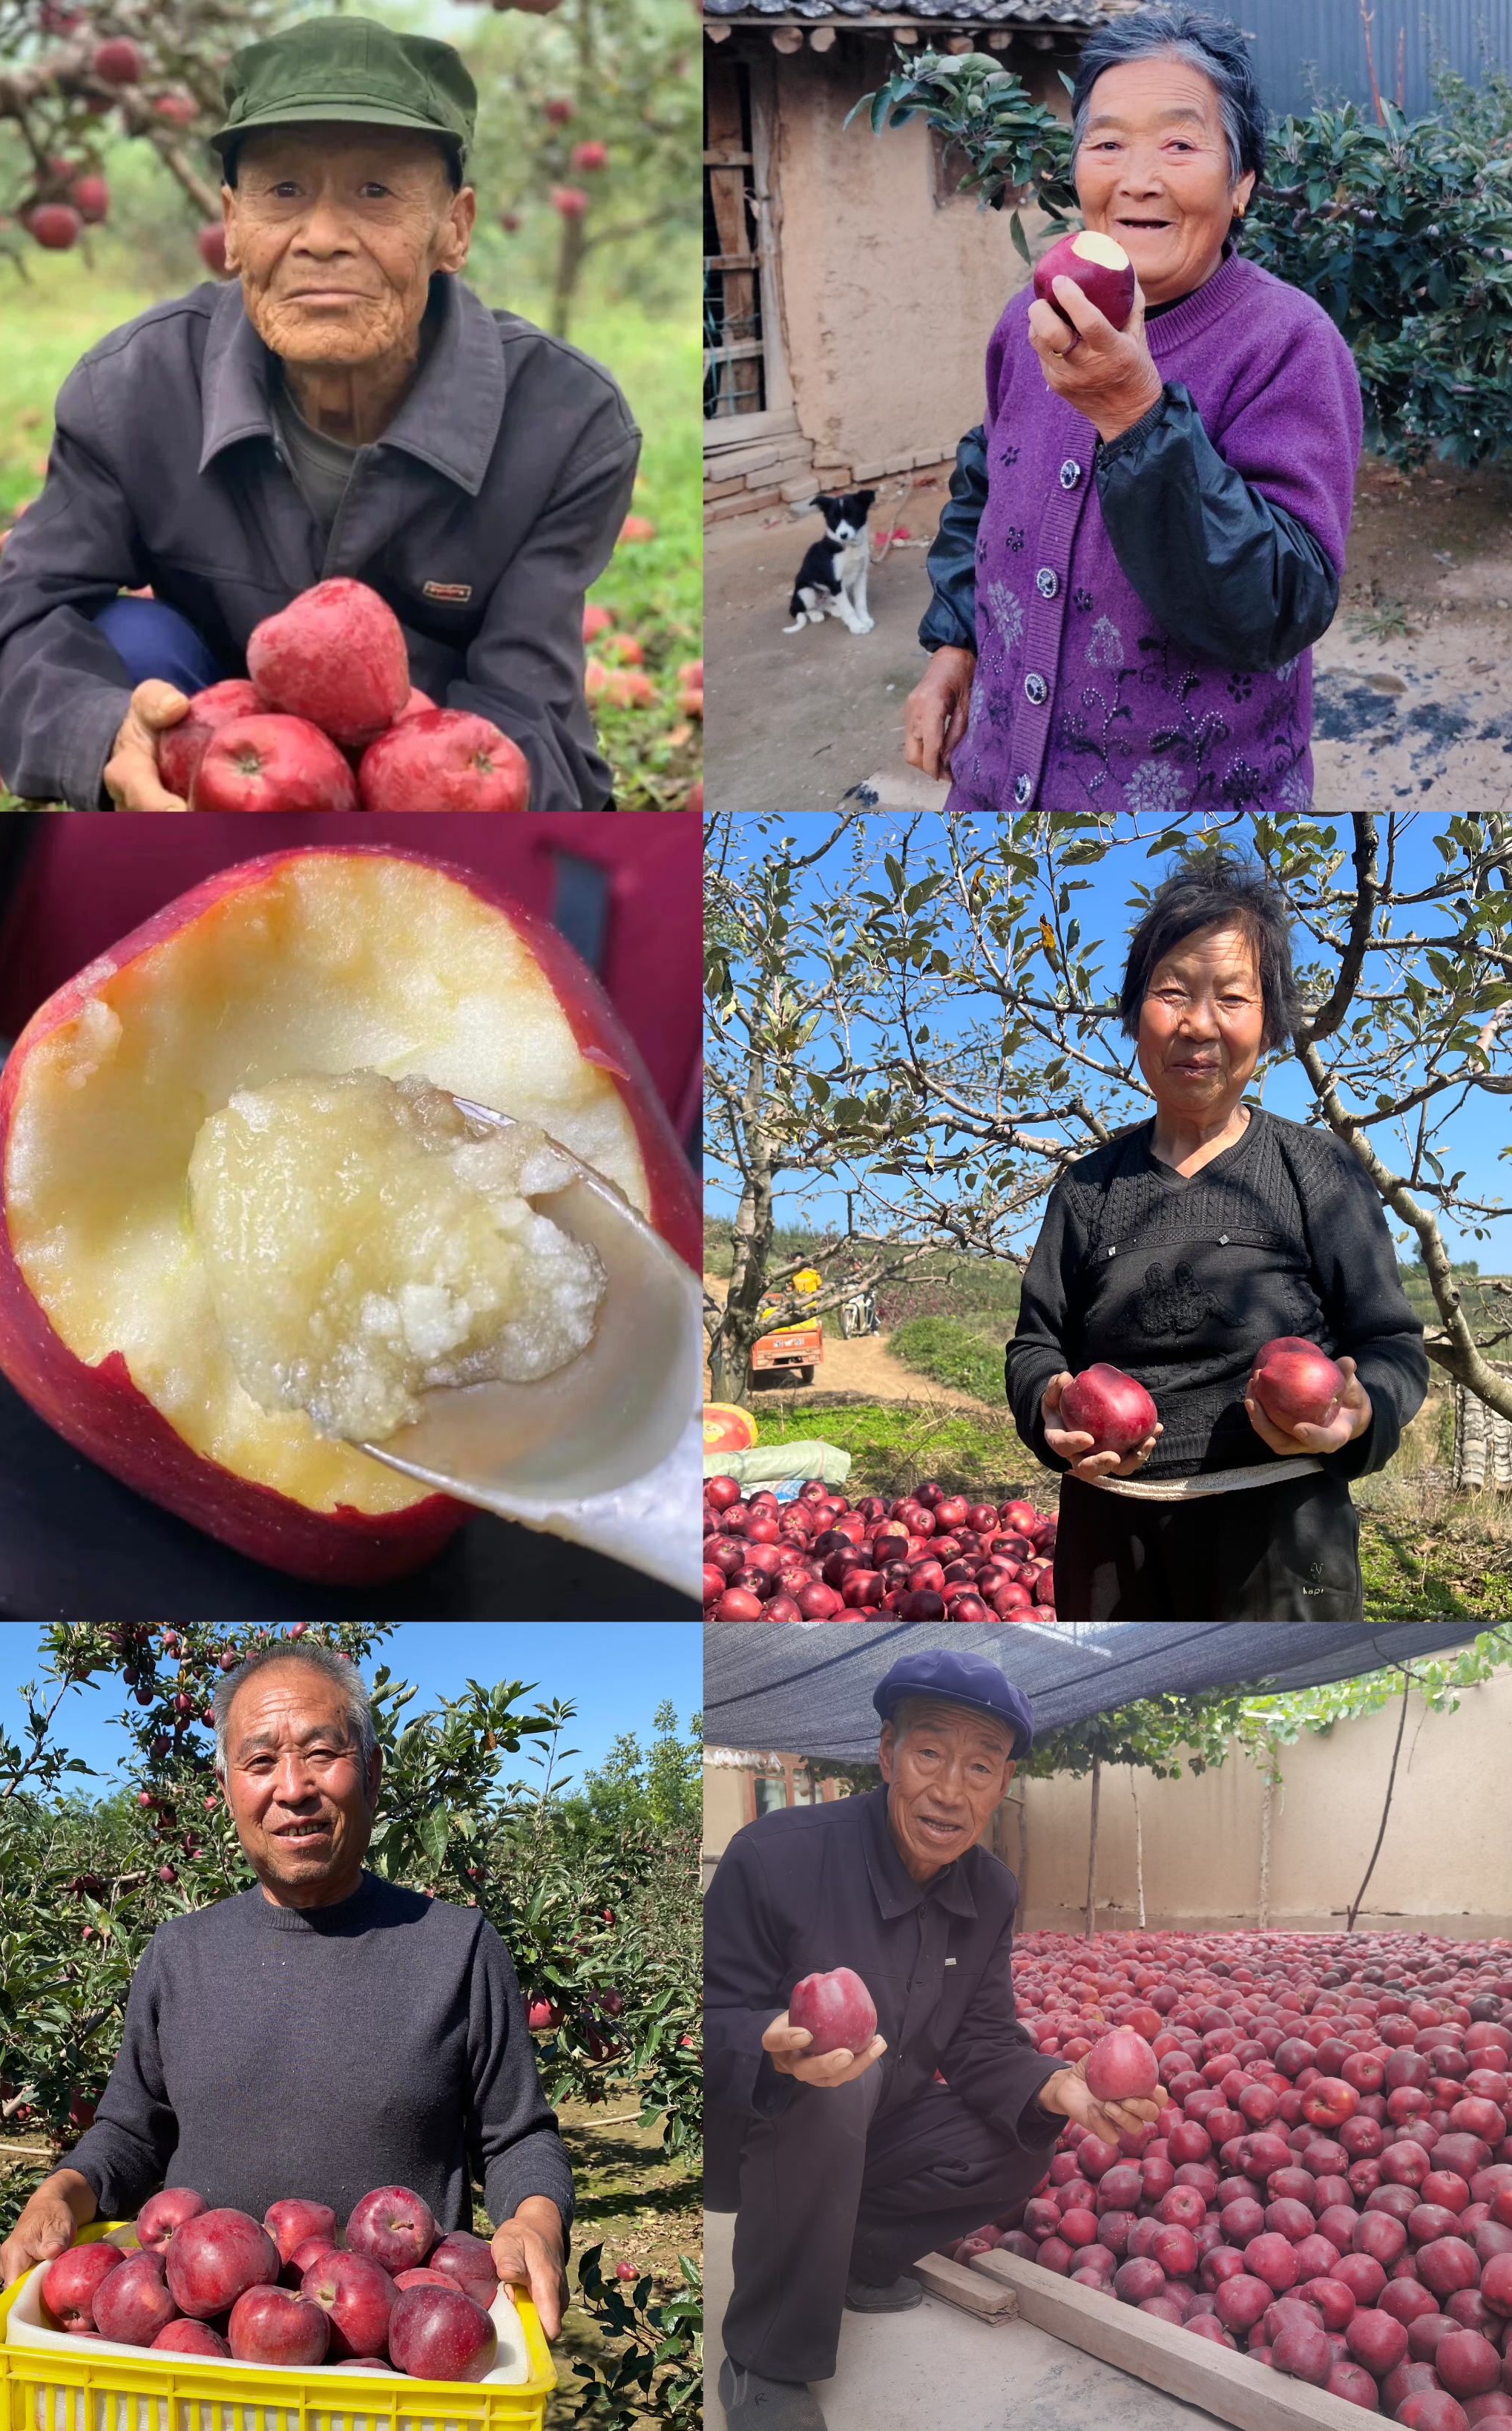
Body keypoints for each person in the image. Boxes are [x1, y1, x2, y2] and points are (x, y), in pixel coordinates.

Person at [0, 13, 640, 814]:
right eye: (284, 192)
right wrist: (108, 736)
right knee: (127, 644)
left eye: (375, 192)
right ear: (234, 226)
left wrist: (402, 804)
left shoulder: (569, 425)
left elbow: (532, 714)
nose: (321, 238)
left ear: (454, 228)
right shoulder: (136, 386)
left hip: (433, 773)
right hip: (230, 758)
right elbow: (11, 620)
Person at [0, 1639, 571, 2335]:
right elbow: (130, 2131)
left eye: (323, 1753)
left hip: (393, 2362)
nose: (292, 1787)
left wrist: (536, 2220)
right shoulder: (180, 1954)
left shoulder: (457, 1947)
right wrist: (62, 2192)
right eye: (260, 1761)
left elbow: (517, 2136)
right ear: (229, 1787)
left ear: (374, 1773)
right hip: (206, 2360)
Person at [901, 5, 1361, 814]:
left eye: (1180, 144)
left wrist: (1135, 415)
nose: (1137, 178)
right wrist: (954, 644)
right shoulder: (1030, 321)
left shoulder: (1287, 345)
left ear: (1242, 181)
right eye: (1107, 142)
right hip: (995, 793)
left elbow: (1281, 605)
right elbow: (986, 482)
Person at [704, 1651, 1169, 2431]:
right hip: (762, 2124)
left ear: (1001, 1786)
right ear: (888, 1753)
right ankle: (762, 2358)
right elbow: (704, 2016)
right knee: (836, 2081)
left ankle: (851, 2259)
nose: (951, 1790)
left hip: (878, 2130)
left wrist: (1058, 2083)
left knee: (1024, 2124)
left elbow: (985, 2035)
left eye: (981, 1766)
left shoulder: (989, 1889)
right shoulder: (776, 1857)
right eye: (930, 1753)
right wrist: (770, 2046)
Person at [1004, 850, 1429, 1623]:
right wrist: (1050, 1408)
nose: (1199, 1023)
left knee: (1275, 1737)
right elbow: (1036, 1348)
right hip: (1110, 1538)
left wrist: (1363, 1415)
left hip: (1280, 1537)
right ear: (1135, 1016)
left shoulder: (1315, 1172)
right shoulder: (1087, 1190)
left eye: (1233, 997)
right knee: (1119, 1735)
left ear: (1268, 1028)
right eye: (1171, 992)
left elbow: (1393, 1344)